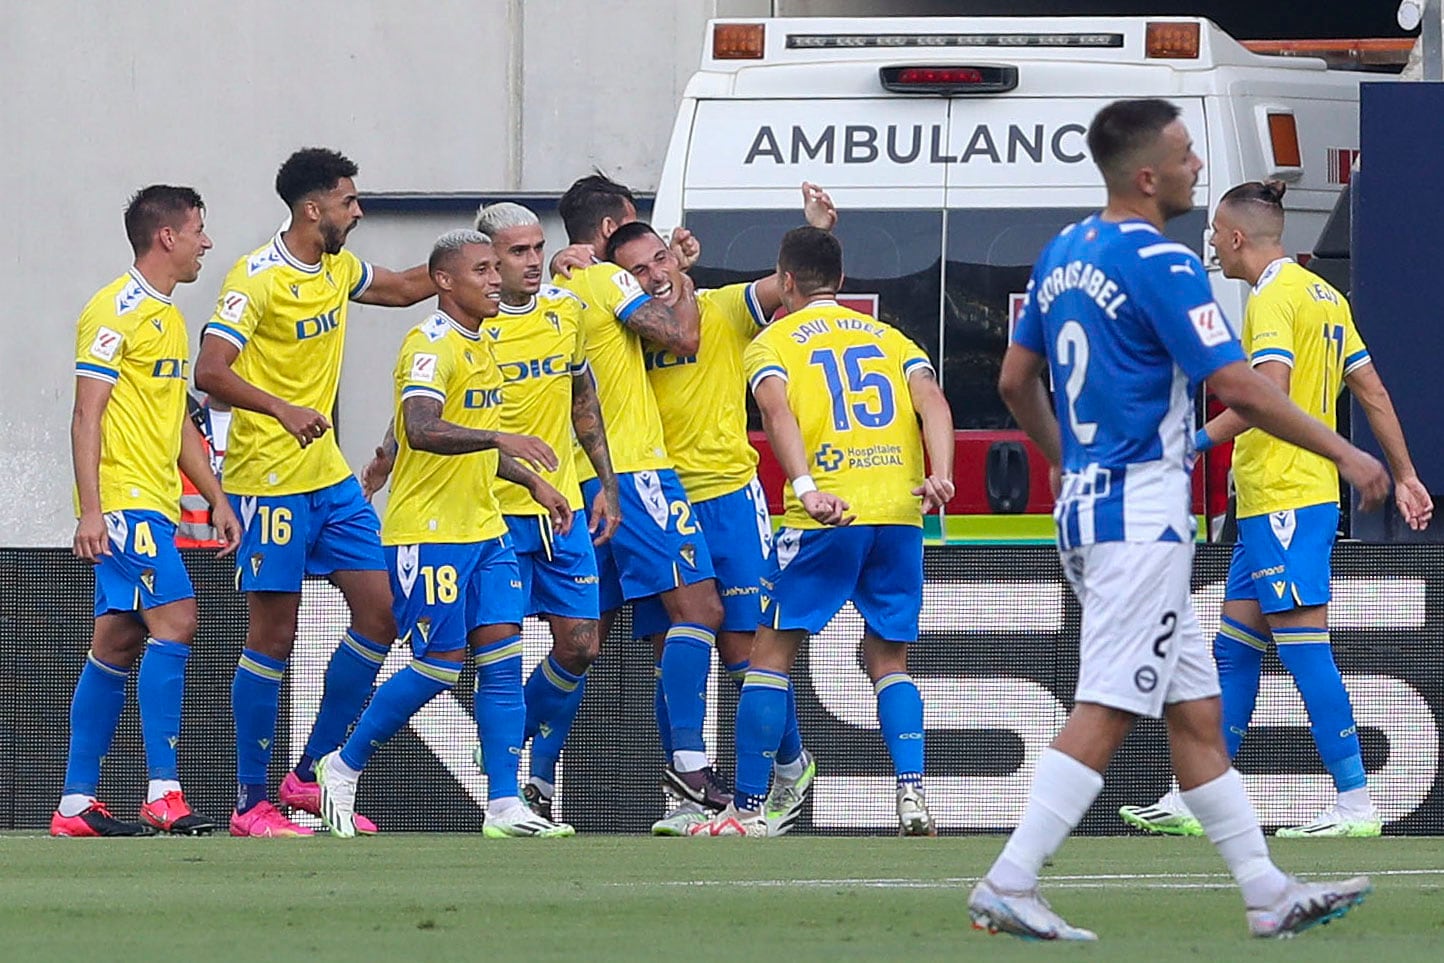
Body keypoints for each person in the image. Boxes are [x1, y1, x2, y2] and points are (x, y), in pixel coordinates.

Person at [971, 99, 1388, 942]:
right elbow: (1238, 386)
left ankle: (1266, 888)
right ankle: (1009, 878)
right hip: (1139, 515)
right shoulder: (1162, 262)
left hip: (1091, 507)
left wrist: (1071, 457)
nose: (1200, 166)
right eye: (1186, 152)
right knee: (1113, 699)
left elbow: (1017, 382)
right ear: (1148, 174)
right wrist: (1346, 454)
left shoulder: (1062, 252)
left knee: (1197, 712)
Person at [1118, 180, 1433, 840]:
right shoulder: (1324, 295)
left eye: (1213, 234)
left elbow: (1268, 396)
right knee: (1232, 651)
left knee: (1305, 651)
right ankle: (1200, 797)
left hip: (1287, 497)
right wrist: (1405, 473)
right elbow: (1370, 389)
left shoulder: (1272, 297)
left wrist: (1193, 441)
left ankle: (1354, 801)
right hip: (1277, 499)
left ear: (1236, 237)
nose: (1210, 245)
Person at [194, 147, 436, 837]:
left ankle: (305, 776)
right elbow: (211, 369)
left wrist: (477, 263)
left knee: (381, 612)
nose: (357, 211)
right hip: (267, 478)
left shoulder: (337, 267)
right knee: (275, 630)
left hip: (327, 477)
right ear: (313, 208)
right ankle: (248, 803)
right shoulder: (255, 277)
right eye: (349, 200)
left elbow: (398, 285)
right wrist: (281, 408)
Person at [687, 225, 956, 838]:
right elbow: (934, 403)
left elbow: (777, 412)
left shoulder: (773, 342)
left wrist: (806, 487)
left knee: (770, 654)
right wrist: (941, 475)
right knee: (888, 659)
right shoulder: (891, 338)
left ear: (785, 281)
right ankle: (913, 795)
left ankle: (749, 809)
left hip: (829, 510)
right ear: (840, 280)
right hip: (900, 509)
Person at [315, 229, 576, 838]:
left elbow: (474, 439)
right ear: (444, 282)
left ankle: (504, 805)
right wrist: (499, 439)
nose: (495, 278)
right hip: (428, 531)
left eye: (496, 268)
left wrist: (531, 481)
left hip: (486, 528)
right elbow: (423, 428)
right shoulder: (429, 344)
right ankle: (343, 764)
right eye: (481, 269)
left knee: (504, 662)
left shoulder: (483, 345)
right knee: (440, 665)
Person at [605, 183, 837, 836]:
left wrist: (813, 228)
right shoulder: (625, 328)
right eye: (637, 270)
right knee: (672, 645)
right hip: (657, 502)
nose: (652, 275)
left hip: (730, 499)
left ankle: (790, 763)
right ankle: (688, 795)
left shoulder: (722, 308)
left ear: (678, 258)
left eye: (659, 261)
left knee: (741, 645)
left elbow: (791, 283)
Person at [55, 185, 241, 837]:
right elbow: (88, 413)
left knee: (119, 638)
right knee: (178, 617)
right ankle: (163, 790)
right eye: (198, 230)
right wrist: (91, 510)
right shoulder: (112, 311)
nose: (206, 243)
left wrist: (216, 497)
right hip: (124, 504)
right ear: (167, 237)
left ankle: (76, 803)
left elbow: (176, 424)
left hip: (154, 504)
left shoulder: (169, 317)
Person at [553, 174, 734, 811]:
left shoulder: (556, 286)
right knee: (703, 613)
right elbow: (683, 337)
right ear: (608, 232)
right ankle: (689, 768)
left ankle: (526, 766)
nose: (645, 257)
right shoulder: (605, 280)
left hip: (578, 478)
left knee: (583, 642)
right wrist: (680, 275)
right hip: (633, 473)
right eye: (633, 234)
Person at [472, 201, 620, 821]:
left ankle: (509, 743)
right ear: (489, 260)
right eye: (518, 252)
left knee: (582, 645)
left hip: (562, 509)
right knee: (488, 653)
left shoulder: (566, 312)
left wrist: (604, 484)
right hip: (492, 512)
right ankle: (510, 783)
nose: (533, 262)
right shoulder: (470, 325)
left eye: (538, 249)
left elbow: (583, 399)